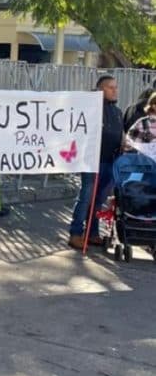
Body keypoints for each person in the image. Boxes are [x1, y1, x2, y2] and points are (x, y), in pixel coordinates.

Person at [67, 75, 123, 249]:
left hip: (110, 160)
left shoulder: (117, 112)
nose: (115, 90)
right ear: (100, 90)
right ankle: (76, 233)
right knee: (86, 196)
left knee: (98, 200)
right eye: (110, 87)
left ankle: (92, 233)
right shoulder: (91, 108)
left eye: (116, 87)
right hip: (91, 159)